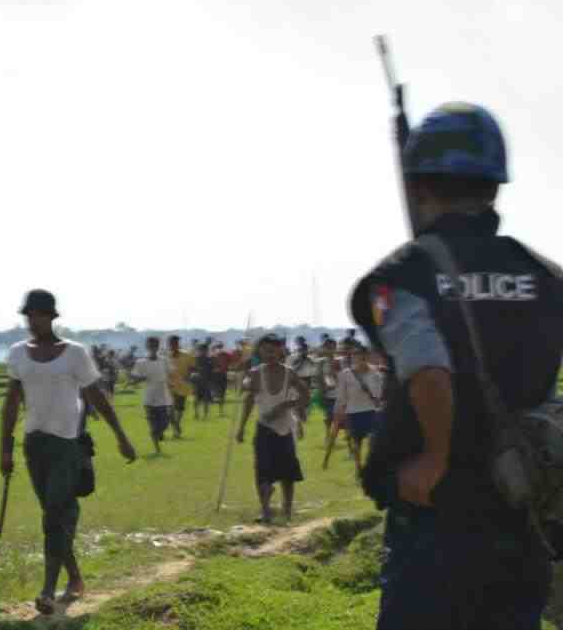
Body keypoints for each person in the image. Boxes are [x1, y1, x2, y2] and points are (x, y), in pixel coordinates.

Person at [350, 103, 563, 629]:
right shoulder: (547, 276)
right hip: (524, 514)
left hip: (435, 522)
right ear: (494, 185)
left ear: (419, 184)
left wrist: (436, 458)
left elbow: (428, 369)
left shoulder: (403, 277)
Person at [0, 289, 136, 615]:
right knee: (54, 514)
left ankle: (48, 590)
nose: (32, 320)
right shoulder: (18, 354)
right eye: (28, 315)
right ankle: (74, 577)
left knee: (55, 514)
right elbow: (11, 402)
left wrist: (120, 435)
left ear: (50, 316)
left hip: (68, 444)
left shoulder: (75, 353)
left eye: (38, 314)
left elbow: (97, 395)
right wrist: (5, 447)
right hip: (35, 444)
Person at [236, 334, 309, 524]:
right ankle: (265, 510)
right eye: (266, 350)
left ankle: (287, 509)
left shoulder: (289, 373)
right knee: (262, 471)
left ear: (280, 351)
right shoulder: (255, 374)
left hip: (285, 429)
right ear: (260, 351)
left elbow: (305, 395)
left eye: (273, 350)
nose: (269, 354)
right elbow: (248, 401)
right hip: (264, 428)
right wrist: (241, 428)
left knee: (288, 473)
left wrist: (286, 406)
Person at [332, 344, 383, 478]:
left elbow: (378, 394)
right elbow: (341, 395)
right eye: (356, 355)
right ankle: (358, 467)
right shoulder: (346, 374)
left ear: (366, 356)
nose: (359, 358)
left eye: (361, 355)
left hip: (371, 410)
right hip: (353, 412)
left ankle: (371, 466)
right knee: (356, 443)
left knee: (374, 439)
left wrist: (371, 389)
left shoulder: (376, 373)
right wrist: (338, 412)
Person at [129, 337, 173, 454]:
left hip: (163, 396)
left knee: (165, 423)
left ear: (158, 347)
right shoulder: (141, 362)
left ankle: (157, 433)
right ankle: (157, 449)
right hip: (149, 398)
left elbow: (171, 373)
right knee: (153, 424)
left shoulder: (164, 360)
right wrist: (139, 378)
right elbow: (133, 378)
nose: (153, 348)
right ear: (147, 347)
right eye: (150, 346)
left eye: (155, 345)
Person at [164, 336, 194, 438]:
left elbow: (192, 368)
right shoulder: (164, 357)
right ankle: (176, 426)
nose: (173, 345)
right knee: (169, 410)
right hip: (168, 385)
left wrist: (189, 375)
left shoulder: (186, 355)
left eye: (175, 343)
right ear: (168, 344)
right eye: (171, 343)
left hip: (182, 385)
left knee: (179, 409)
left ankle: (176, 429)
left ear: (178, 344)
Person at [192, 343, 213, 420]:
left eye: (205, 350)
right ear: (199, 350)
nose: (203, 351)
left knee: (206, 400)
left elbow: (212, 371)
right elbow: (192, 370)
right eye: (202, 350)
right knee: (196, 399)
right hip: (197, 382)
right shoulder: (195, 359)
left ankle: (205, 415)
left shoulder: (209, 359)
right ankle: (196, 413)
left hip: (206, 382)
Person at [210, 342, 232, 417]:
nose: (219, 348)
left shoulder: (216, 355)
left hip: (220, 375)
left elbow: (230, 362)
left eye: (220, 347)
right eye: (219, 347)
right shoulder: (215, 356)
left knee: (221, 393)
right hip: (218, 376)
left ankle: (220, 410)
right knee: (220, 393)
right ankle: (220, 410)